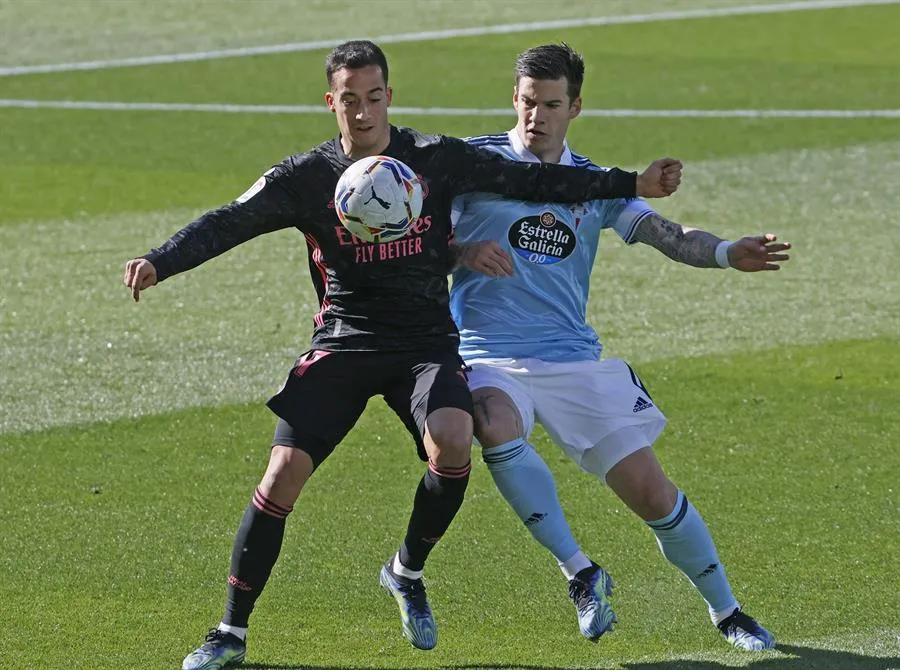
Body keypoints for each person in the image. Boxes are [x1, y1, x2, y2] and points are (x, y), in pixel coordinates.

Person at [122, 40, 680, 669]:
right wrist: (160, 261)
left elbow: (532, 179)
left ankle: (406, 570)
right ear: (331, 101)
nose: (363, 113)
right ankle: (229, 633)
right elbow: (230, 220)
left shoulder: (433, 160)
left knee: (454, 438)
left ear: (390, 95)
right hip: (345, 339)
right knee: (281, 475)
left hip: (424, 343)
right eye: (350, 100)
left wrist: (629, 183)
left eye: (374, 98)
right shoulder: (305, 177)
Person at [449, 43, 789, 652]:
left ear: (575, 106)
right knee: (494, 425)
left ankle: (729, 611)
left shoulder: (595, 183)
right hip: (487, 354)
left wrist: (724, 253)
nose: (536, 117)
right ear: (514, 99)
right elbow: (410, 236)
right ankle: (580, 571)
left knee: (653, 493)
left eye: (551, 104)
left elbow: (665, 233)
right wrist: (461, 252)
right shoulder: (472, 166)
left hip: (574, 360)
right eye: (527, 102)